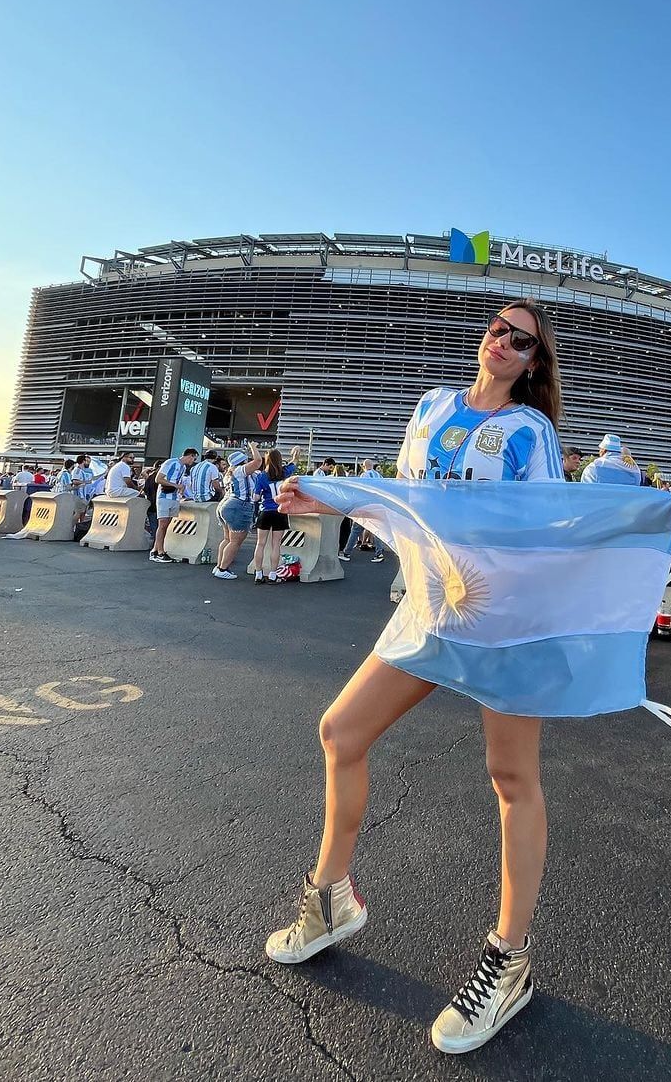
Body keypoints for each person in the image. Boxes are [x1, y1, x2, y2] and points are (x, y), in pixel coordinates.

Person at [266, 300, 564, 1054]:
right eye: (499, 328)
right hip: (430, 609)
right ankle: (332, 898)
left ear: (535, 362)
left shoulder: (533, 433)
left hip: (502, 617)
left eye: (522, 340)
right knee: (341, 731)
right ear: (485, 337)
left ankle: (509, 959)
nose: (504, 342)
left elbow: (549, 526)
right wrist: (328, 495)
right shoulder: (431, 406)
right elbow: (404, 501)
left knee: (511, 777)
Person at [213, 444, 263, 579]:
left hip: (225, 505)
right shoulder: (240, 471)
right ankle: (223, 569)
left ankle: (219, 566)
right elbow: (258, 462)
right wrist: (253, 447)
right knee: (235, 541)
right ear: (243, 462)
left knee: (227, 539)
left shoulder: (229, 473)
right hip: (239, 506)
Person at [252, 448, 294, 583]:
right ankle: (273, 574)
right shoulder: (285, 472)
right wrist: (295, 453)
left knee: (260, 544)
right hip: (280, 511)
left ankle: (258, 573)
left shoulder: (261, 476)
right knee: (276, 544)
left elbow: (256, 497)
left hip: (265, 511)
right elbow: (295, 463)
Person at [150, 447, 199, 563]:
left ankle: (156, 550)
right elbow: (158, 479)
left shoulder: (182, 467)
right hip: (164, 497)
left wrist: (180, 489)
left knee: (165, 525)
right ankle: (160, 552)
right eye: (194, 458)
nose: (193, 461)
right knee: (162, 525)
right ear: (190, 455)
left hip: (174, 497)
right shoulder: (170, 463)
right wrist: (176, 486)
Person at [340, 460, 390, 563]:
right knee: (377, 530)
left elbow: (361, 491)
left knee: (356, 529)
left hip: (366, 506)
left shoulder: (364, 475)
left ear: (364, 466)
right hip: (378, 506)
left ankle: (347, 553)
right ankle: (379, 553)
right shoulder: (379, 476)